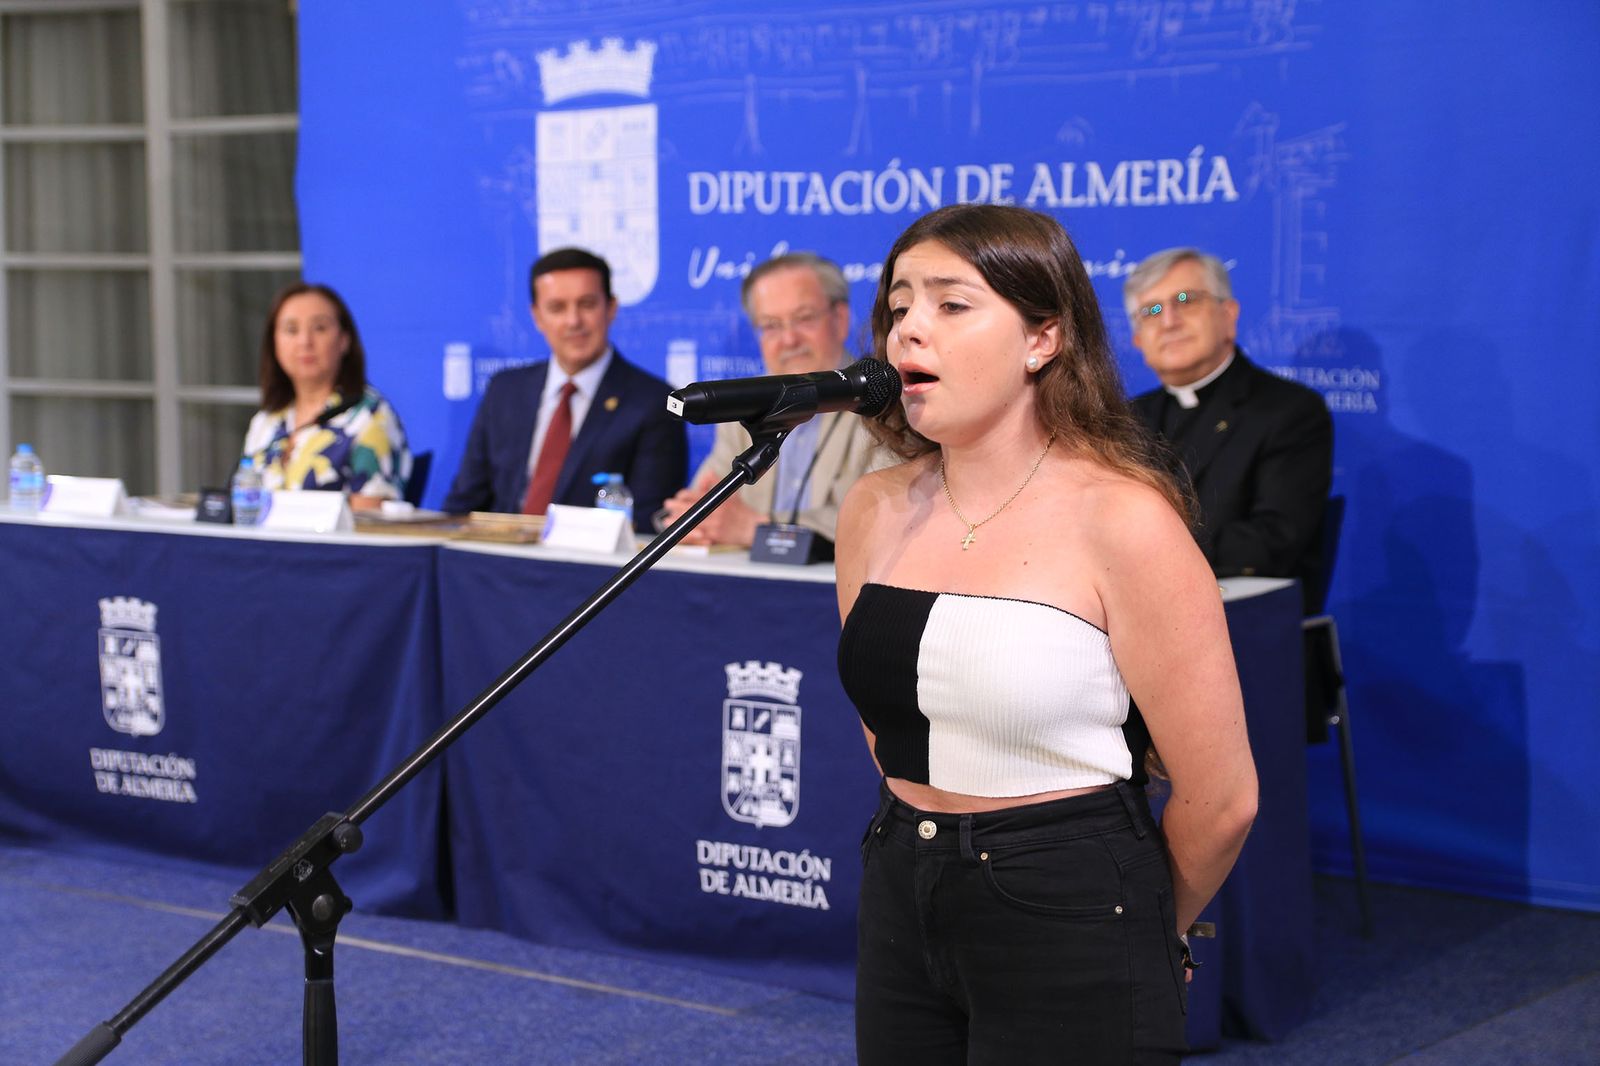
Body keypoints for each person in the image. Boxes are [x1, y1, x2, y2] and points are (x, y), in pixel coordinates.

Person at [835, 205, 1258, 1063]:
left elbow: (1222, 798)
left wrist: (1142, 929)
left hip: (1072, 897)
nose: (909, 328)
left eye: (951, 305)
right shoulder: (874, 509)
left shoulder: (1124, 519)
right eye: (899, 303)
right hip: (900, 881)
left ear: (1044, 338)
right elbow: (884, 726)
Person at [1124, 248, 1333, 610]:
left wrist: (1136, 554)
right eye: (1151, 311)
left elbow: (1272, 541)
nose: (1169, 320)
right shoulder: (1124, 420)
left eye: (1186, 300)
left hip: (1243, 628)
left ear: (1229, 315)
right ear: (1138, 339)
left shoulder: (1287, 411)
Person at [440, 247, 687, 531]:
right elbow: (464, 504)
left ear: (612, 308)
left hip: (593, 570)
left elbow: (647, 524)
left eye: (587, 304)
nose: (573, 321)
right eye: (557, 308)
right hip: (498, 566)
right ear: (537, 317)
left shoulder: (653, 402)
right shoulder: (504, 390)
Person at [657, 252, 881, 547]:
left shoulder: (878, 403)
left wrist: (758, 530)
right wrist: (695, 520)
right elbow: (705, 502)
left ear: (840, 320)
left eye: (803, 319)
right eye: (772, 326)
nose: (789, 340)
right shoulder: (744, 407)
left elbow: (877, 519)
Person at [242, 282, 410, 510]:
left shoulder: (369, 417)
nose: (305, 342)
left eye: (319, 328)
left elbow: (371, 520)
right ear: (274, 343)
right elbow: (243, 506)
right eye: (291, 330)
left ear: (344, 340)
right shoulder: (267, 421)